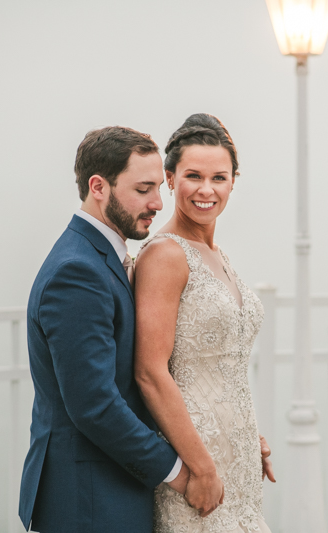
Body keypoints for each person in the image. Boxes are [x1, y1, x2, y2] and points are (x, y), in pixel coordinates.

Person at [18, 126, 200, 533]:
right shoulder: (77, 272)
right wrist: (179, 474)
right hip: (89, 500)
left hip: (108, 491)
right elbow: (95, 405)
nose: (157, 202)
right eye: (143, 189)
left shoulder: (101, 256)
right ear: (98, 187)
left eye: (158, 188)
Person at [134, 113, 275, 533]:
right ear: (171, 178)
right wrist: (202, 467)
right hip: (197, 463)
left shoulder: (217, 255)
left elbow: (222, 370)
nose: (206, 190)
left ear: (234, 181)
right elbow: (150, 372)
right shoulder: (165, 255)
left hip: (239, 460)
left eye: (219, 177)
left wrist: (249, 437)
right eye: (193, 175)